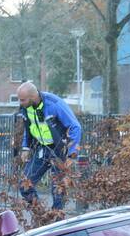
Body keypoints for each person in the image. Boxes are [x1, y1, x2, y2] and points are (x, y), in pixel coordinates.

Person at [16, 81, 81, 211]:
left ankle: (56, 220)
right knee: (24, 185)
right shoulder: (26, 108)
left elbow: (75, 127)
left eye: (22, 100)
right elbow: (29, 128)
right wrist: (25, 147)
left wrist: (71, 154)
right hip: (42, 149)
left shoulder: (54, 104)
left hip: (59, 151)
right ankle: (41, 215)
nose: (20, 102)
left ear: (32, 97)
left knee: (58, 190)